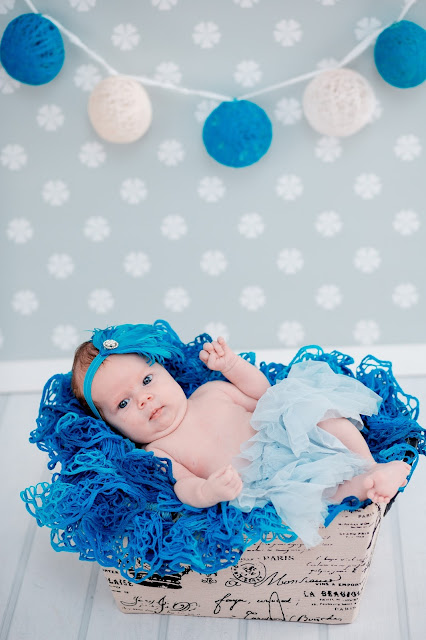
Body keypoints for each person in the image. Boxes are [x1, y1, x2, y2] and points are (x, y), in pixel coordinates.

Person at [71, 324, 410, 547]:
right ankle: (367, 486)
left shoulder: (211, 392)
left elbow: (265, 396)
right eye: (123, 403)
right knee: (319, 495)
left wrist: (231, 366)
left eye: (147, 381)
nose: (144, 399)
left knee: (320, 415)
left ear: (165, 371)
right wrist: (208, 490)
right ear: (110, 425)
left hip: (286, 437)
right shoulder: (158, 450)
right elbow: (183, 486)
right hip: (269, 480)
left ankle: (370, 466)